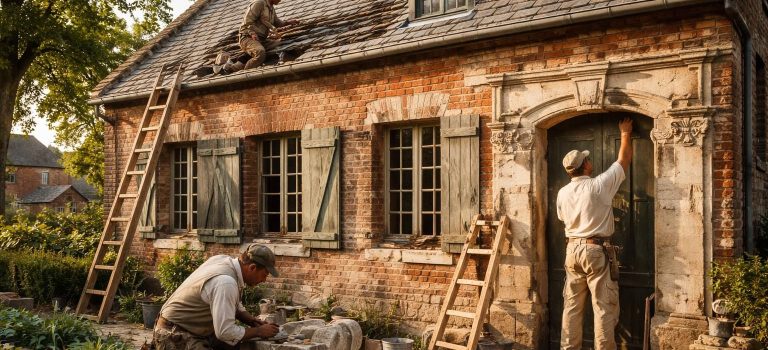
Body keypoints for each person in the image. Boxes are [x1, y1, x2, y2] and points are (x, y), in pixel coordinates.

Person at [557, 118, 633, 350]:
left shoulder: (562, 192)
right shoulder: (598, 185)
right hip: (595, 250)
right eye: (588, 160)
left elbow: (562, 218)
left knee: (571, 306)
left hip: (572, 249)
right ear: (586, 165)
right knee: (603, 307)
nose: (590, 162)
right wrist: (625, 133)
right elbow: (623, 160)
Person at [151, 244, 281, 350]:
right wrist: (258, 331)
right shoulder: (226, 282)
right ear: (252, 267)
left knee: (235, 346)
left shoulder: (221, 260)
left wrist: (250, 320)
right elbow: (225, 332)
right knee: (233, 339)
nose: (264, 280)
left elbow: (231, 301)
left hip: (189, 328)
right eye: (265, 274)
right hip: (175, 333)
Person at [239, 0, 299, 70]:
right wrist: (252, 33)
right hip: (248, 38)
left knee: (282, 43)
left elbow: (277, 22)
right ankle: (247, 73)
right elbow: (247, 21)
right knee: (260, 52)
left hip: (262, 39)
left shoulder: (271, 8)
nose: (280, 0)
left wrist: (288, 22)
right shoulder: (259, 3)